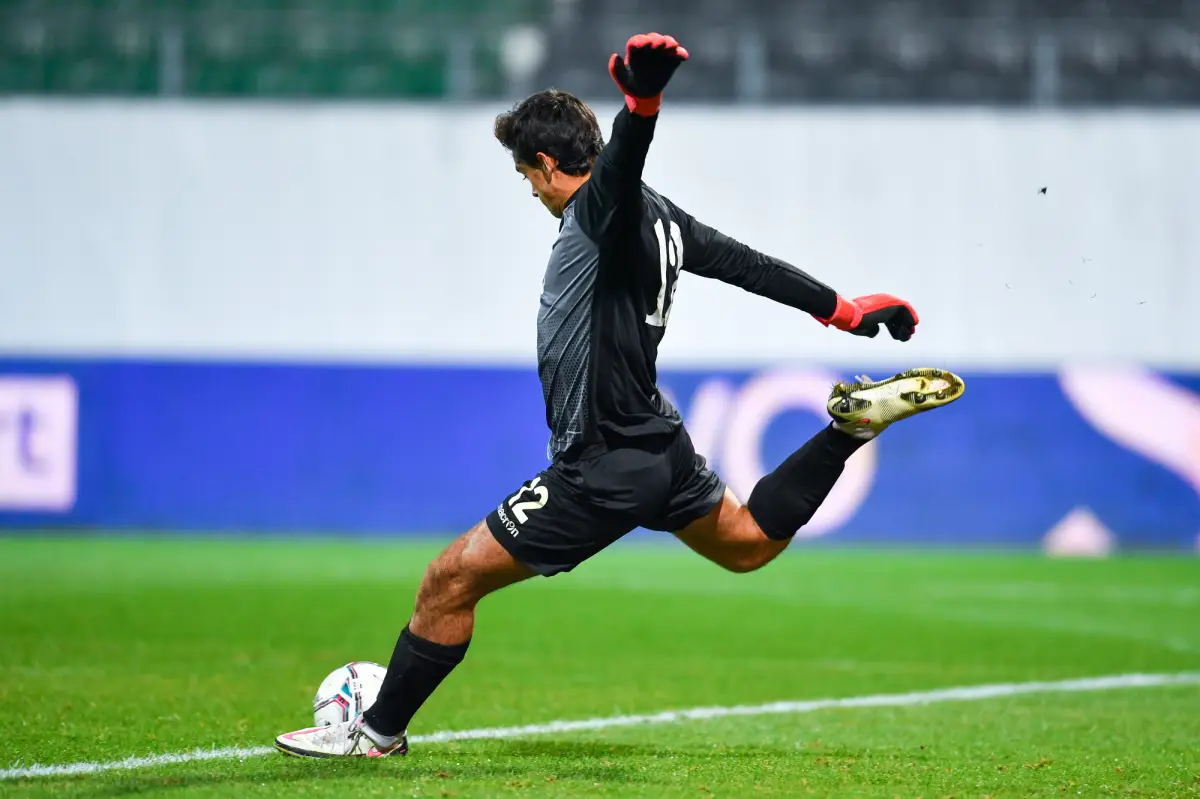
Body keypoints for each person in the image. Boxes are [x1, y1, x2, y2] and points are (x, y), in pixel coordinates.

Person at [274, 32, 964, 759]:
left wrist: (642, 105)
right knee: (749, 543)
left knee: (448, 580)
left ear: (548, 165)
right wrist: (843, 311)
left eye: (527, 175)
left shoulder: (600, 208)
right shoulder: (662, 217)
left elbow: (624, 167)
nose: (531, 190)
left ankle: (375, 733)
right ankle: (847, 432)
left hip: (602, 463)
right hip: (659, 448)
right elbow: (747, 265)